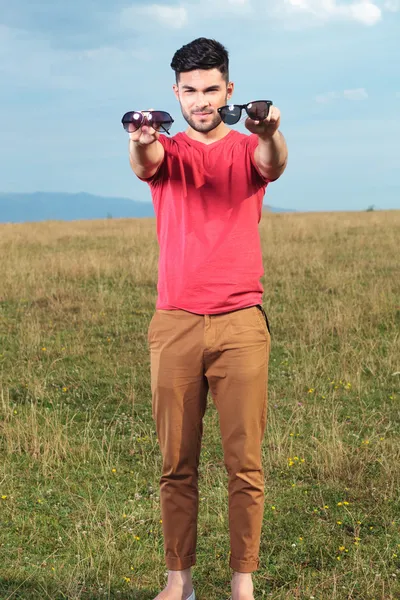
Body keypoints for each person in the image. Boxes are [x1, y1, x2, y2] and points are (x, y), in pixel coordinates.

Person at [127, 37, 288, 600]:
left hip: (241, 322)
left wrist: (269, 132)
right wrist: (143, 141)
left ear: (229, 91)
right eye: (190, 91)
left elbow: (274, 162)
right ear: (175, 93)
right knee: (177, 464)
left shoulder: (249, 146)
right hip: (174, 323)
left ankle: (242, 582)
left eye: (210, 89)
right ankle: (180, 580)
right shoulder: (165, 149)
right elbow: (143, 162)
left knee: (244, 464)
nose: (200, 100)